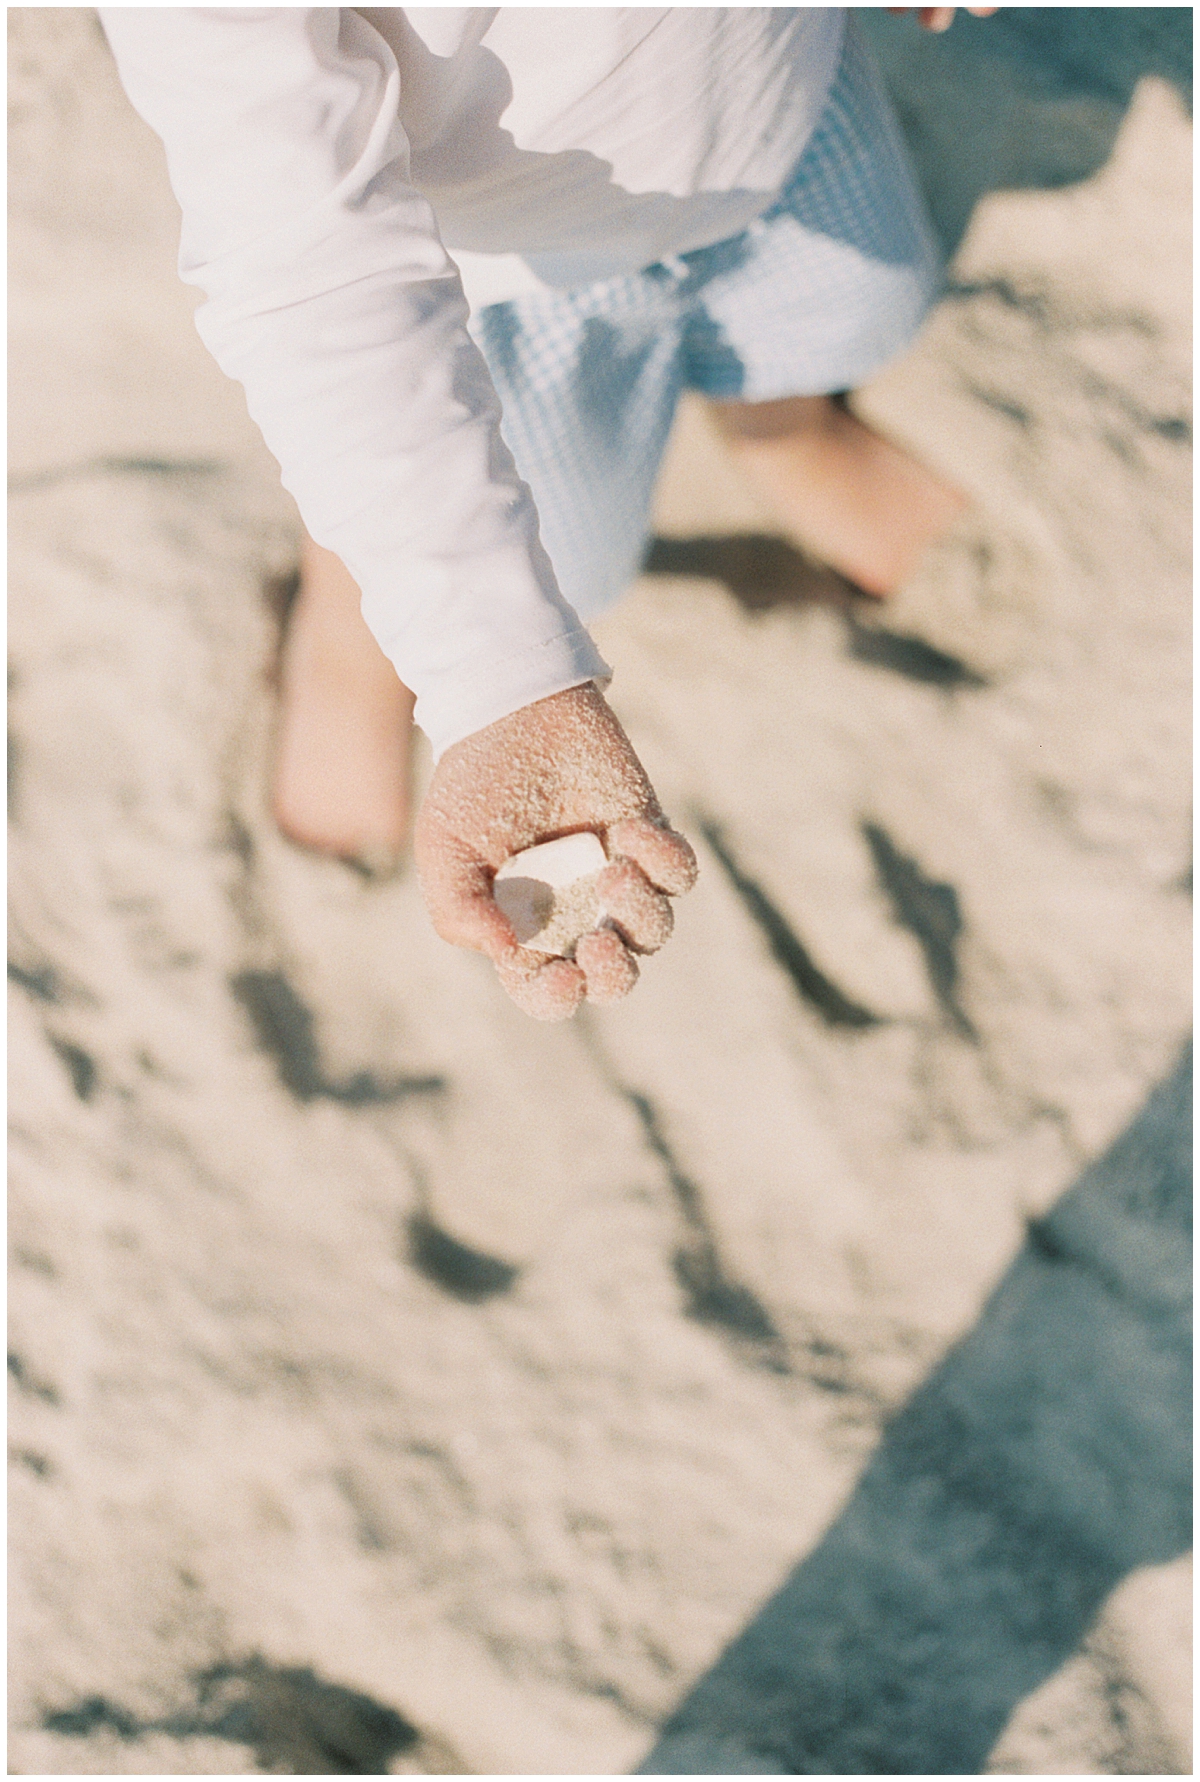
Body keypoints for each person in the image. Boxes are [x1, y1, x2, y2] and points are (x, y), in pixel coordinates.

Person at [100, 6, 987, 1021]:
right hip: (502, 264)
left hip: (779, 108)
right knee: (564, 554)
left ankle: (778, 428)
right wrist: (496, 681)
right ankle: (356, 597)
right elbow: (308, 268)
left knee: (838, 312)